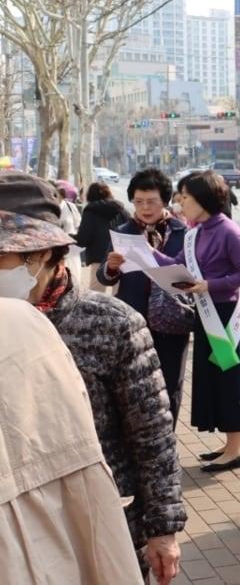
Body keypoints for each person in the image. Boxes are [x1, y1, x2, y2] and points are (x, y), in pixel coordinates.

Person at [0, 173, 185, 584]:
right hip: (15, 530)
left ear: (45, 254)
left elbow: (153, 437)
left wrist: (163, 530)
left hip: (103, 520)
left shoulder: (110, 324)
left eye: (2, 258)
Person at [0, 297, 145, 585]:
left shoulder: (111, 318)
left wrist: (164, 523)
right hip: (66, 513)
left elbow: (150, 426)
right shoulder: (27, 317)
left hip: (65, 500)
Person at [153, 170, 240, 472]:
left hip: (225, 320)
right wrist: (145, 253)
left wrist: (208, 285)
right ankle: (229, 443)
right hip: (204, 314)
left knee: (228, 380)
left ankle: (235, 449)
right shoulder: (195, 232)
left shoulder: (229, 231)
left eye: (184, 196)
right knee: (214, 380)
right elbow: (178, 265)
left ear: (204, 198)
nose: (179, 202)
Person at [102, 168, 192, 424]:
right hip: (132, 323)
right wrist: (111, 267)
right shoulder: (123, 232)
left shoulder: (183, 232)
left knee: (170, 384)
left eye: (151, 201)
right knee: (131, 386)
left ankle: (167, 442)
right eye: (138, 202)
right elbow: (103, 277)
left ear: (164, 200)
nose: (145, 208)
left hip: (171, 321)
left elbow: (191, 277)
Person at [73, 181, 128, 292]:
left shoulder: (90, 211)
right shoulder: (120, 209)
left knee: (96, 297)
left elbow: (84, 239)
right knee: (120, 296)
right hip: (119, 257)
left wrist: (69, 237)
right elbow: (131, 230)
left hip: (98, 258)